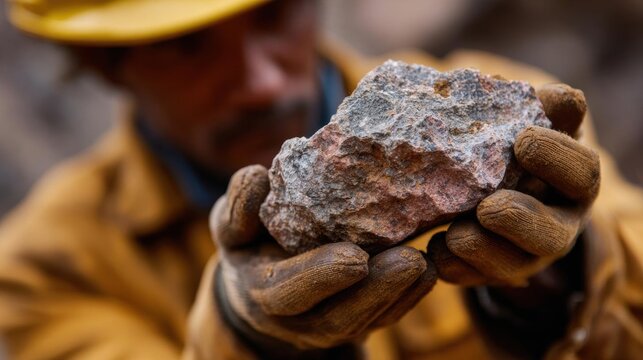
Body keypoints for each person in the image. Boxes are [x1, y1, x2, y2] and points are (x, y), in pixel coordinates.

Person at [1, 0, 642, 359]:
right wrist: (247, 334)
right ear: (104, 64)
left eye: (273, 14)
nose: (262, 82)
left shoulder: (496, 100)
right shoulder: (45, 266)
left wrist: (558, 284)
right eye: (187, 47)